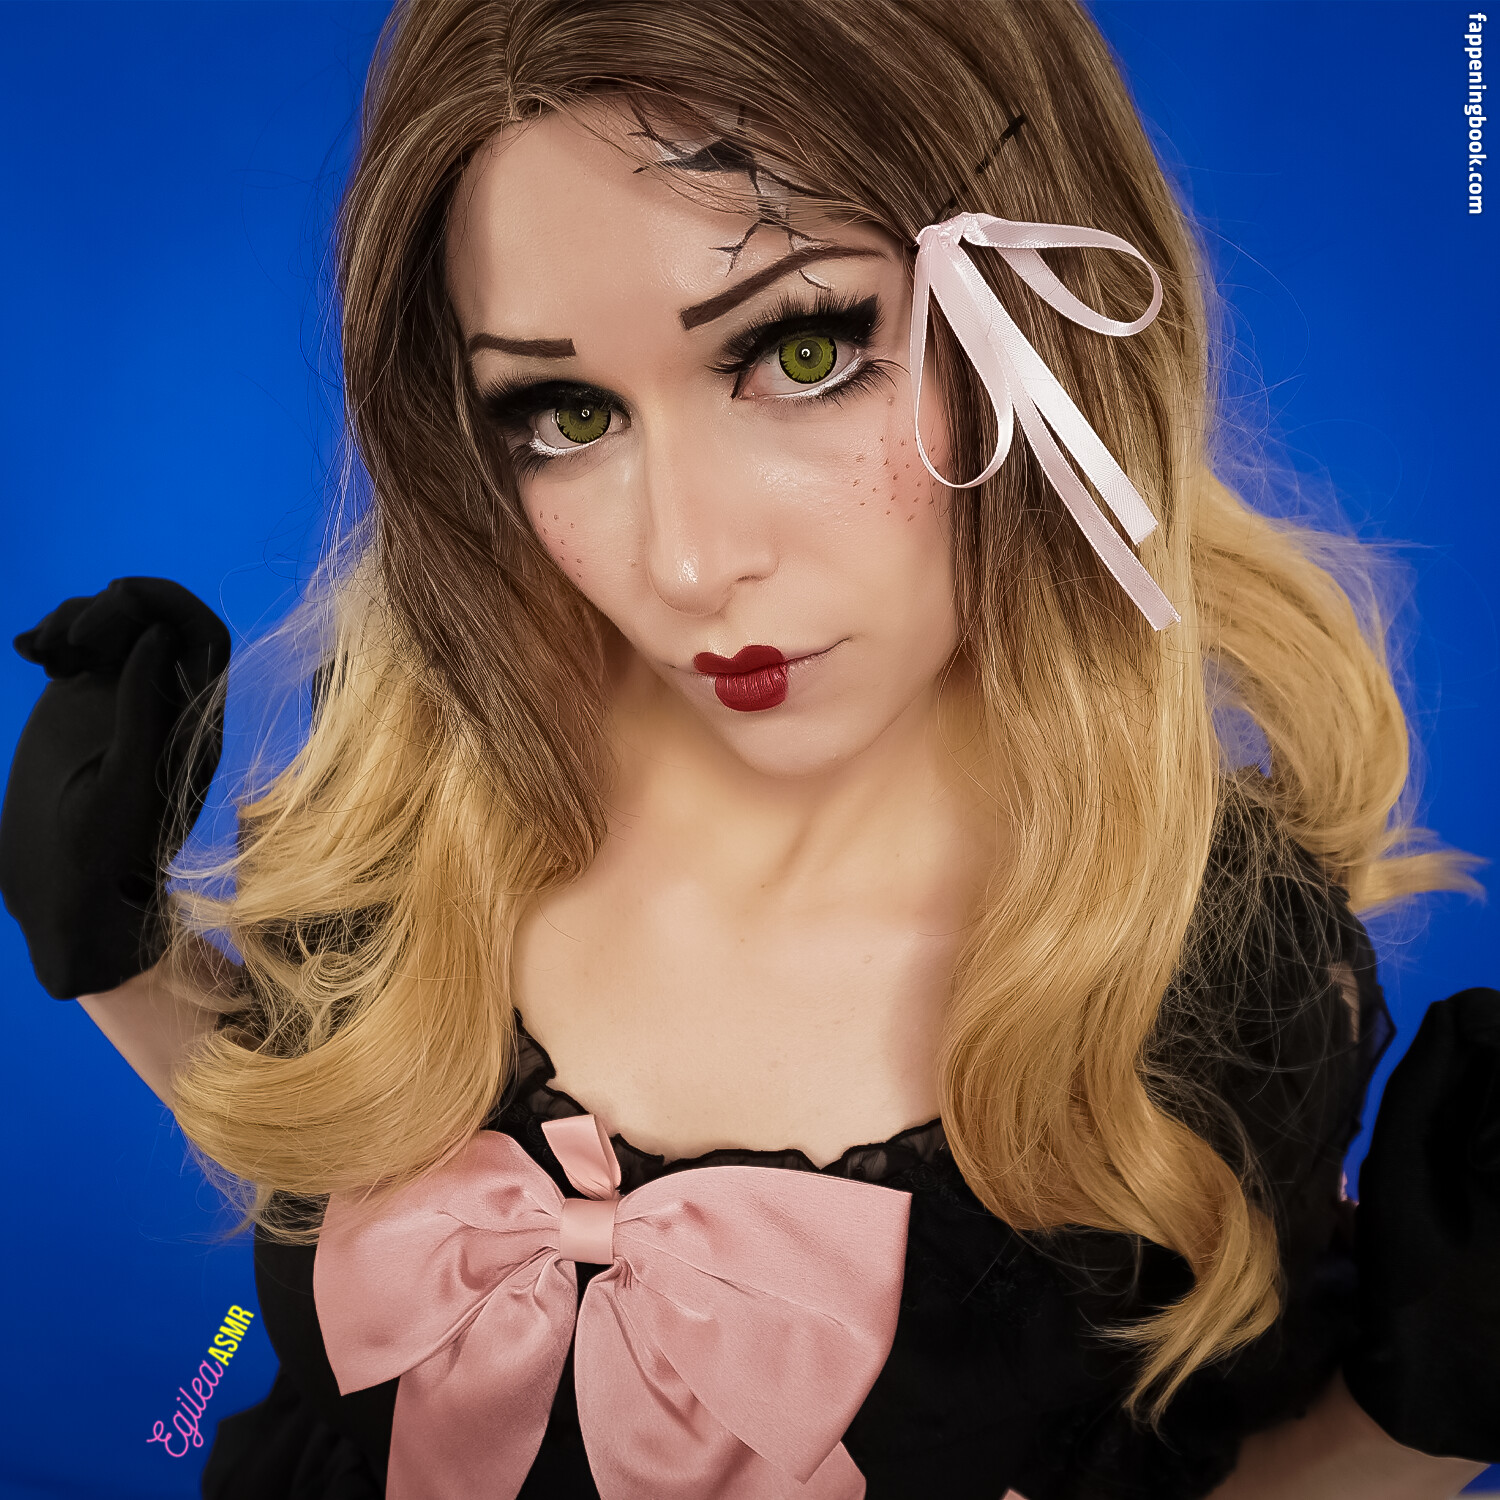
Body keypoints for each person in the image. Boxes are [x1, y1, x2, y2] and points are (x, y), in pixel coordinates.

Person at [2, 2, 1497, 1497]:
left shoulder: (1210, 978)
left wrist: (1417, 1426)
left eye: (800, 350)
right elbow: (337, 1188)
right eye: (566, 413)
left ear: (1042, 322)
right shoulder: (427, 788)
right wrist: (127, 966)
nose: (687, 560)